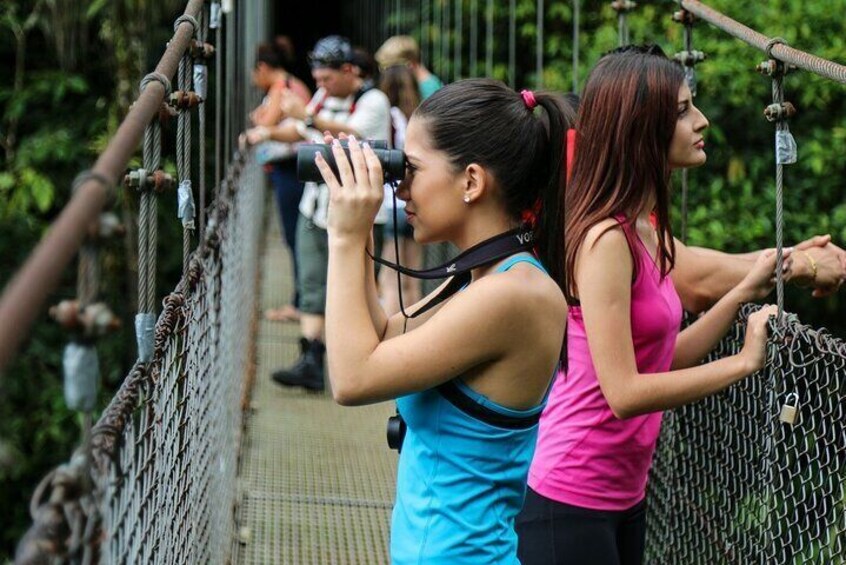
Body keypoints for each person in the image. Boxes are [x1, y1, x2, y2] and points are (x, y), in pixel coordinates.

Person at [516, 45, 785, 565]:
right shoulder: (604, 241)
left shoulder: (641, 231)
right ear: (641, 129)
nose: (701, 121)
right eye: (682, 110)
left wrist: (738, 295)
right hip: (569, 499)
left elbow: (661, 359)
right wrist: (743, 363)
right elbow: (624, 392)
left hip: (622, 497)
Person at [312, 79, 575, 563]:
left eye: (409, 169)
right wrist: (360, 227)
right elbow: (383, 337)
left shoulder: (515, 294)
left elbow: (351, 378)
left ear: (471, 181)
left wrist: (345, 239)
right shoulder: (483, 276)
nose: (400, 186)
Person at [251, 36, 391, 392]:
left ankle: (359, 363)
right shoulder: (323, 97)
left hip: (360, 215)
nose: (322, 86)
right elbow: (298, 131)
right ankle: (311, 361)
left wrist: (309, 115)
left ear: (349, 71)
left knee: (357, 288)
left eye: (328, 79)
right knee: (312, 283)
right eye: (318, 80)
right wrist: (266, 133)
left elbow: (358, 137)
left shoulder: (374, 100)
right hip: (315, 208)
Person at [248, 38, 311, 322]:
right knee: (299, 234)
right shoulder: (294, 85)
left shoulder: (281, 89)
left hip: (291, 167)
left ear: (262, 67)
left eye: (254, 71)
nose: (253, 78)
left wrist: (261, 121)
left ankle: (301, 303)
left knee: (295, 234)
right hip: (296, 166)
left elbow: (264, 124)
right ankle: (304, 301)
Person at [377, 65, 424, 314]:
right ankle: (413, 332)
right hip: (413, 205)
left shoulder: (387, 116)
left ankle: (395, 338)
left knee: (390, 280)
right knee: (412, 279)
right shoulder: (416, 117)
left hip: (390, 203)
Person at [375, 35, 443, 100]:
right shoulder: (426, 86)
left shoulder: (428, 90)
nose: (386, 75)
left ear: (410, 64)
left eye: (388, 69)